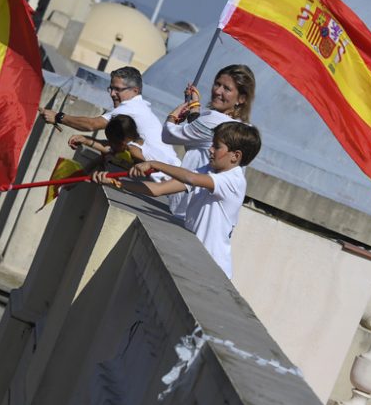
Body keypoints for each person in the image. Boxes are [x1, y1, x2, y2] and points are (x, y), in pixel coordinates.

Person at [93, 121, 261, 279]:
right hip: (194, 258)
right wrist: (116, 182)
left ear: (235, 156)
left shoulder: (233, 180)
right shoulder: (209, 171)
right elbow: (159, 189)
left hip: (212, 268)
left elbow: (191, 179)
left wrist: (155, 164)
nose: (210, 150)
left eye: (216, 146)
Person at [162, 64, 256, 217]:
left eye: (227, 88)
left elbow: (168, 135)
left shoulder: (213, 119)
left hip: (187, 210)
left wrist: (173, 116)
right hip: (206, 214)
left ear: (241, 98)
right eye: (217, 84)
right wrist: (194, 107)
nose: (218, 91)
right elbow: (198, 141)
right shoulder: (244, 129)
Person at [40, 66, 176, 161]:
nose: (112, 94)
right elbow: (118, 147)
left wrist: (59, 117)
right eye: (111, 88)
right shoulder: (140, 107)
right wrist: (86, 140)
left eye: (117, 89)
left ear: (135, 90)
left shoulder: (130, 108)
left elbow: (91, 125)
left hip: (162, 177)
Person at [72, 115, 181, 181]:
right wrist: (85, 140)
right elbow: (107, 148)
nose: (109, 144)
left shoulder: (134, 150)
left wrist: (122, 163)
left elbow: (148, 168)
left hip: (172, 179)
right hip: (178, 170)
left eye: (111, 142)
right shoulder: (137, 141)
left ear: (122, 142)